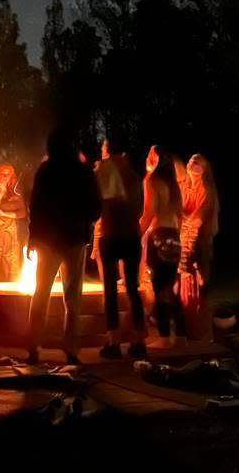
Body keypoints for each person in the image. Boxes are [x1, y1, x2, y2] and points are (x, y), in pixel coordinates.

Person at [26, 127, 102, 365]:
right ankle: (70, 348)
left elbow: (35, 205)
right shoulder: (83, 172)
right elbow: (95, 206)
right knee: (72, 297)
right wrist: (85, 222)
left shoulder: (45, 171)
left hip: (49, 240)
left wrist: (33, 236)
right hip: (74, 239)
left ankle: (33, 346)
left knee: (41, 293)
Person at [93, 135, 147, 360]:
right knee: (133, 288)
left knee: (110, 290)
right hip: (132, 234)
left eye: (104, 148)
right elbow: (139, 205)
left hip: (111, 232)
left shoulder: (103, 172)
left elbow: (96, 202)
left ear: (108, 150)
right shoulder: (135, 175)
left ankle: (113, 342)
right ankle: (138, 341)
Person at [140, 152, 186, 347]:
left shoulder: (151, 179)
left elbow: (150, 211)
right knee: (170, 287)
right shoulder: (174, 184)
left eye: (151, 154)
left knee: (158, 286)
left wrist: (138, 231)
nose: (147, 157)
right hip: (174, 235)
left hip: (158, 234)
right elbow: (180, 216)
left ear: (156, 160)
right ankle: (181, 336)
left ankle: (165, 337)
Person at [180, 153, 219, 336]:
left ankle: (202, 328)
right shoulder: (186, 188)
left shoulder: (206, 189)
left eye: (196, 162)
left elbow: (199, 217)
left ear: (203, 169)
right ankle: (188, 323)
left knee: (200, 280)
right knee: (186, 281)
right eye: (189, 161)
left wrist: (185, 221)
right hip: (185, 238)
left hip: (200, 240)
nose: (191, 164)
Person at [0, 164, 26, 282]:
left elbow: (22, 213)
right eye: (2, 174)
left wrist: (4, 214)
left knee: (13, 269)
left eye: (8, 175)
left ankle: (13, 297)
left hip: (11, 236)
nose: (5, 177)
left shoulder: (16, 192)